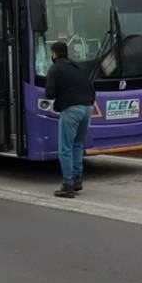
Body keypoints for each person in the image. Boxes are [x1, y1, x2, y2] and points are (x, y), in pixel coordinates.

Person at [45, 41, 96, 198]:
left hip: (72, 110)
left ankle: (68, 185)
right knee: (78, 144)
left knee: (65, 148)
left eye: (52, 54)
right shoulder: (78, 67)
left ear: (54, 54)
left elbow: (49, 94)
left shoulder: (55, 69)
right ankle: (77, 179)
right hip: (88, 108)